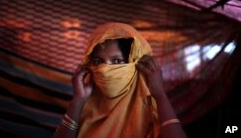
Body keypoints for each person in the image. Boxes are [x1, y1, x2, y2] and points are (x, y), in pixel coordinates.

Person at [53, 22, 187, 138]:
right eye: (98, 61)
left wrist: (160, 94)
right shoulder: (84, 107)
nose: (105, 69)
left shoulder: (150, 112)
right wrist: (78, 100)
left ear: (137, 63)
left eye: (117, 61)